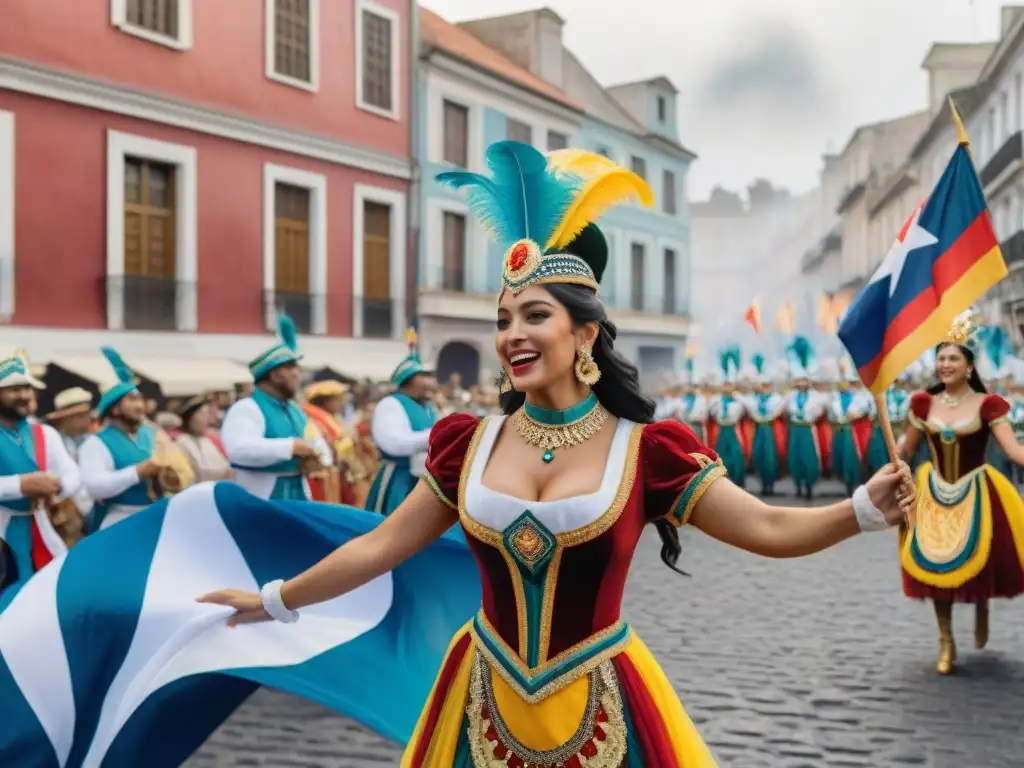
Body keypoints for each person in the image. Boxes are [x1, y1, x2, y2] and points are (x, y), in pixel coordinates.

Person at [200, 141, 914, 766]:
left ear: (584, 335)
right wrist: (274, 600)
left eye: (536, 315)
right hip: (480, 698)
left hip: (604, 700)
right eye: (503, 319)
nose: (512, 333)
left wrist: (859, 510)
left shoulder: (648, 452)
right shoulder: (467, 446)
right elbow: (381, 545)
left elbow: (765, 526)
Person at [899, 310, 1024, 675]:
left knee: (981, 556)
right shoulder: (922, 404)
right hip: (933, 491)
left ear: (969, 366)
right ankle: (945, 639)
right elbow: (905, 449)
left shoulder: (989, 405)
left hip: (976, 490)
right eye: (940, 358)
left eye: (953, 358)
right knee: (935, 564)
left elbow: (1014, 452)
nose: (945, 364)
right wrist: (894, 462)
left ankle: (982, 603)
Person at [220, 315, 331, 500]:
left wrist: (320, 459)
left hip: (299, 493)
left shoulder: (296, 410)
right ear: (275, 375)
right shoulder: (246, 408)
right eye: (292, 368)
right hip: (260, 496)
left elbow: (316, 442)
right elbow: (238, 449)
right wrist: (291, 447)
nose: (298, 373)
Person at [0, 354, 81, 595]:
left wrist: (56, 486)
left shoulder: (44, 433)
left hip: (41, 527)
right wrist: (21, 485)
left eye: (27, 388)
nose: (24, 395)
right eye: (14, 389)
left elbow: (72, 473)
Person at [78, 348, 165, 530]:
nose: (140, 406)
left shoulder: (150, 434)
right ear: (115, 409)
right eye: (132, 400)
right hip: (118, 521)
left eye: (140, 399)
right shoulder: (96, 443)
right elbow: (94, 487)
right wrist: (138, 472)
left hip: (156, 517)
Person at [364, 339, 438, 515]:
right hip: (399, 480)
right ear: (407, 381)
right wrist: (436, 435)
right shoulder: (390, 404)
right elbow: (394, 444)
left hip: (425, 480)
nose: (431, 382)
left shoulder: (429, 408)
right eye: (424, 376)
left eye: (430, 376)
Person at [785, 337, 828, 500]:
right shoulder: (790, 397)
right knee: (795, 457)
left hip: (808, 429)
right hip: (795, 428)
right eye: (799, 381)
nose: (802, 383)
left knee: (809, 457)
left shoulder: (817, 397)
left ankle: (809, 485)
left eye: (804, 381)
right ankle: (798, 485)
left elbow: (823, 409)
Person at [175, 396, 233, 483]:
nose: (206, 419)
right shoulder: (183, 442)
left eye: (207, 414)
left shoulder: (205, 441)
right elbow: (202, 471)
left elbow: (221, 462)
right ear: (190, 419)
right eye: (202, 415)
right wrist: (226, 472)